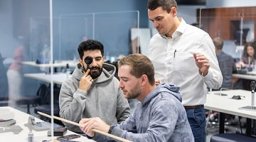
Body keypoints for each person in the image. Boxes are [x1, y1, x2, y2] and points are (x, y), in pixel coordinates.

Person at [146, 0, 223, 142]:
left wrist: (205, 72)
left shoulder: (200, 38)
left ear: (173, 11)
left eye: (159, 19)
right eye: (152, 20)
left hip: (189, 115)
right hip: (158, 113)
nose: (155, 25)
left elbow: (217, 82)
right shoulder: (154, 42)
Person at [79, 54, 194, 142]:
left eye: (125, 80)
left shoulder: (165, 104)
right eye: (120, 79)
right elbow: (124, 128)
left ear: (143, 80)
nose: (120, 85)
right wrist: (95, 131)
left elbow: (153, 140)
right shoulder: (143, 103)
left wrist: (109, 130)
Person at [59, 39, 131, 141]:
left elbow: (125, 116)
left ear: (103, 59)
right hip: (81, 139)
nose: (94, 64)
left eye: (98, 59)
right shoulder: (69, 85)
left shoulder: (114, 83)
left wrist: (115, 135)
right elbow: (68, 122)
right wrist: (81, 91)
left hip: (110, 139)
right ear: (81, 61)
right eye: (89, 60)